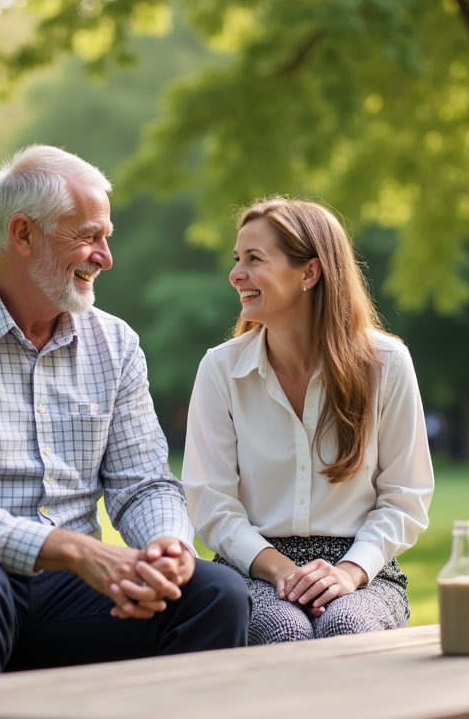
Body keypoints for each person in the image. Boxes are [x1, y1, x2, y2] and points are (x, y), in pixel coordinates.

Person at [0, 145, 250, 681]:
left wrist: (168, 545)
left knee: (216, 593)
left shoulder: (115, 343)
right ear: (23, 235)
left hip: (66, 596)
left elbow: (143, 483)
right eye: (87, 236)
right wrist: (71, 551)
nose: (104, 256)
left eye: (105, 237)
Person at [182, 198, 434, 645]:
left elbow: (405, 497)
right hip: (252, 566)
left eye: (254, 260)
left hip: (365, 567)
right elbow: (211, 503)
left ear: (309, 273)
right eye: (236, 260)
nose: (235, 274)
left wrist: (350, 572)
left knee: (347, 625)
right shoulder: (221, 370)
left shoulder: (386, 364)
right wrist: (283, 570)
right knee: (283, 629)